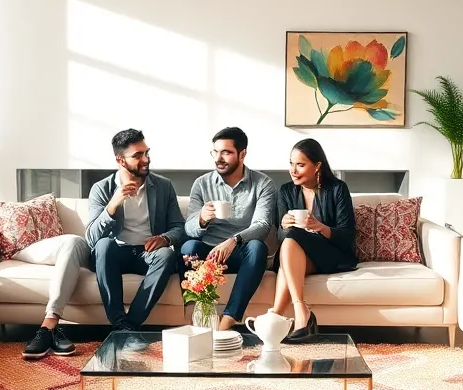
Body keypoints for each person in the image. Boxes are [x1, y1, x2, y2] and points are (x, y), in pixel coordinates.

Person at [85, 129, 185, 331]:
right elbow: (91, 238)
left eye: (146, 153)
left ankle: (127, 326)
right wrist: (112, 206)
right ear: (121, 161)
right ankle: (119, 319)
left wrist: (165, 238)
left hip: (147, 254)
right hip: (115, 255)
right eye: (137, 156)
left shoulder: (163, 186)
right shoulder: (101, 188)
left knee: (166, 255)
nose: (146, 159)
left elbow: (179, 227)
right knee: (104, 245)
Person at [182, 127, 276, 331]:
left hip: (241, 253)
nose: (219, 158)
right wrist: (201, 219)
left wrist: (233, 241)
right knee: (189, 247)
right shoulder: (201, 184)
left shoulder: (263, 184)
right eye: (215, 152)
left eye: (226, 152)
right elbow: (188, 228)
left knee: (258, 248)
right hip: (208, 254)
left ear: (242, 154)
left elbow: (262, 226)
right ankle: (195, 315)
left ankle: (229, 318)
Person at [272, 138, 357, 343]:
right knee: (289, 244)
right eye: (291, 163)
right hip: (299, 256)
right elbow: (281, 239)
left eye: (300, 165)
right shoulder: (286, 191)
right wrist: (283, 226)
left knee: (291, 247)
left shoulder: (337, 189)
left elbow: (347, 236)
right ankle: (289, 317)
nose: (293, 170)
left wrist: (321, 227)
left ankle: (281, 316)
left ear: (317, 166)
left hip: (330, 254)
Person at [15, 234, 91, 360]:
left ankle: (50, 331)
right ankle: (49, 324)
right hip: (26, 244)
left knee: (75, 242)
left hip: (76, 242)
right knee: (72, 242)